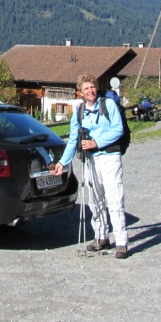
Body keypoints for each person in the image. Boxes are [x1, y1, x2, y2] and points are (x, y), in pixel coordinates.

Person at [52, 73, 130, 259]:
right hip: (90, 159)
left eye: (92, 86)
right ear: (80, 92)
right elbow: (73, 139)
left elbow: (118, 129)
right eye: (86, 88)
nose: (90, 90)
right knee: (95, 199)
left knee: (114, 197)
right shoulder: (79, 112)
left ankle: (121, 242)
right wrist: (63, 162)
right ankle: (101, 236)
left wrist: (96, 142)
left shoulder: (108, 104)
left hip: (109, 157)